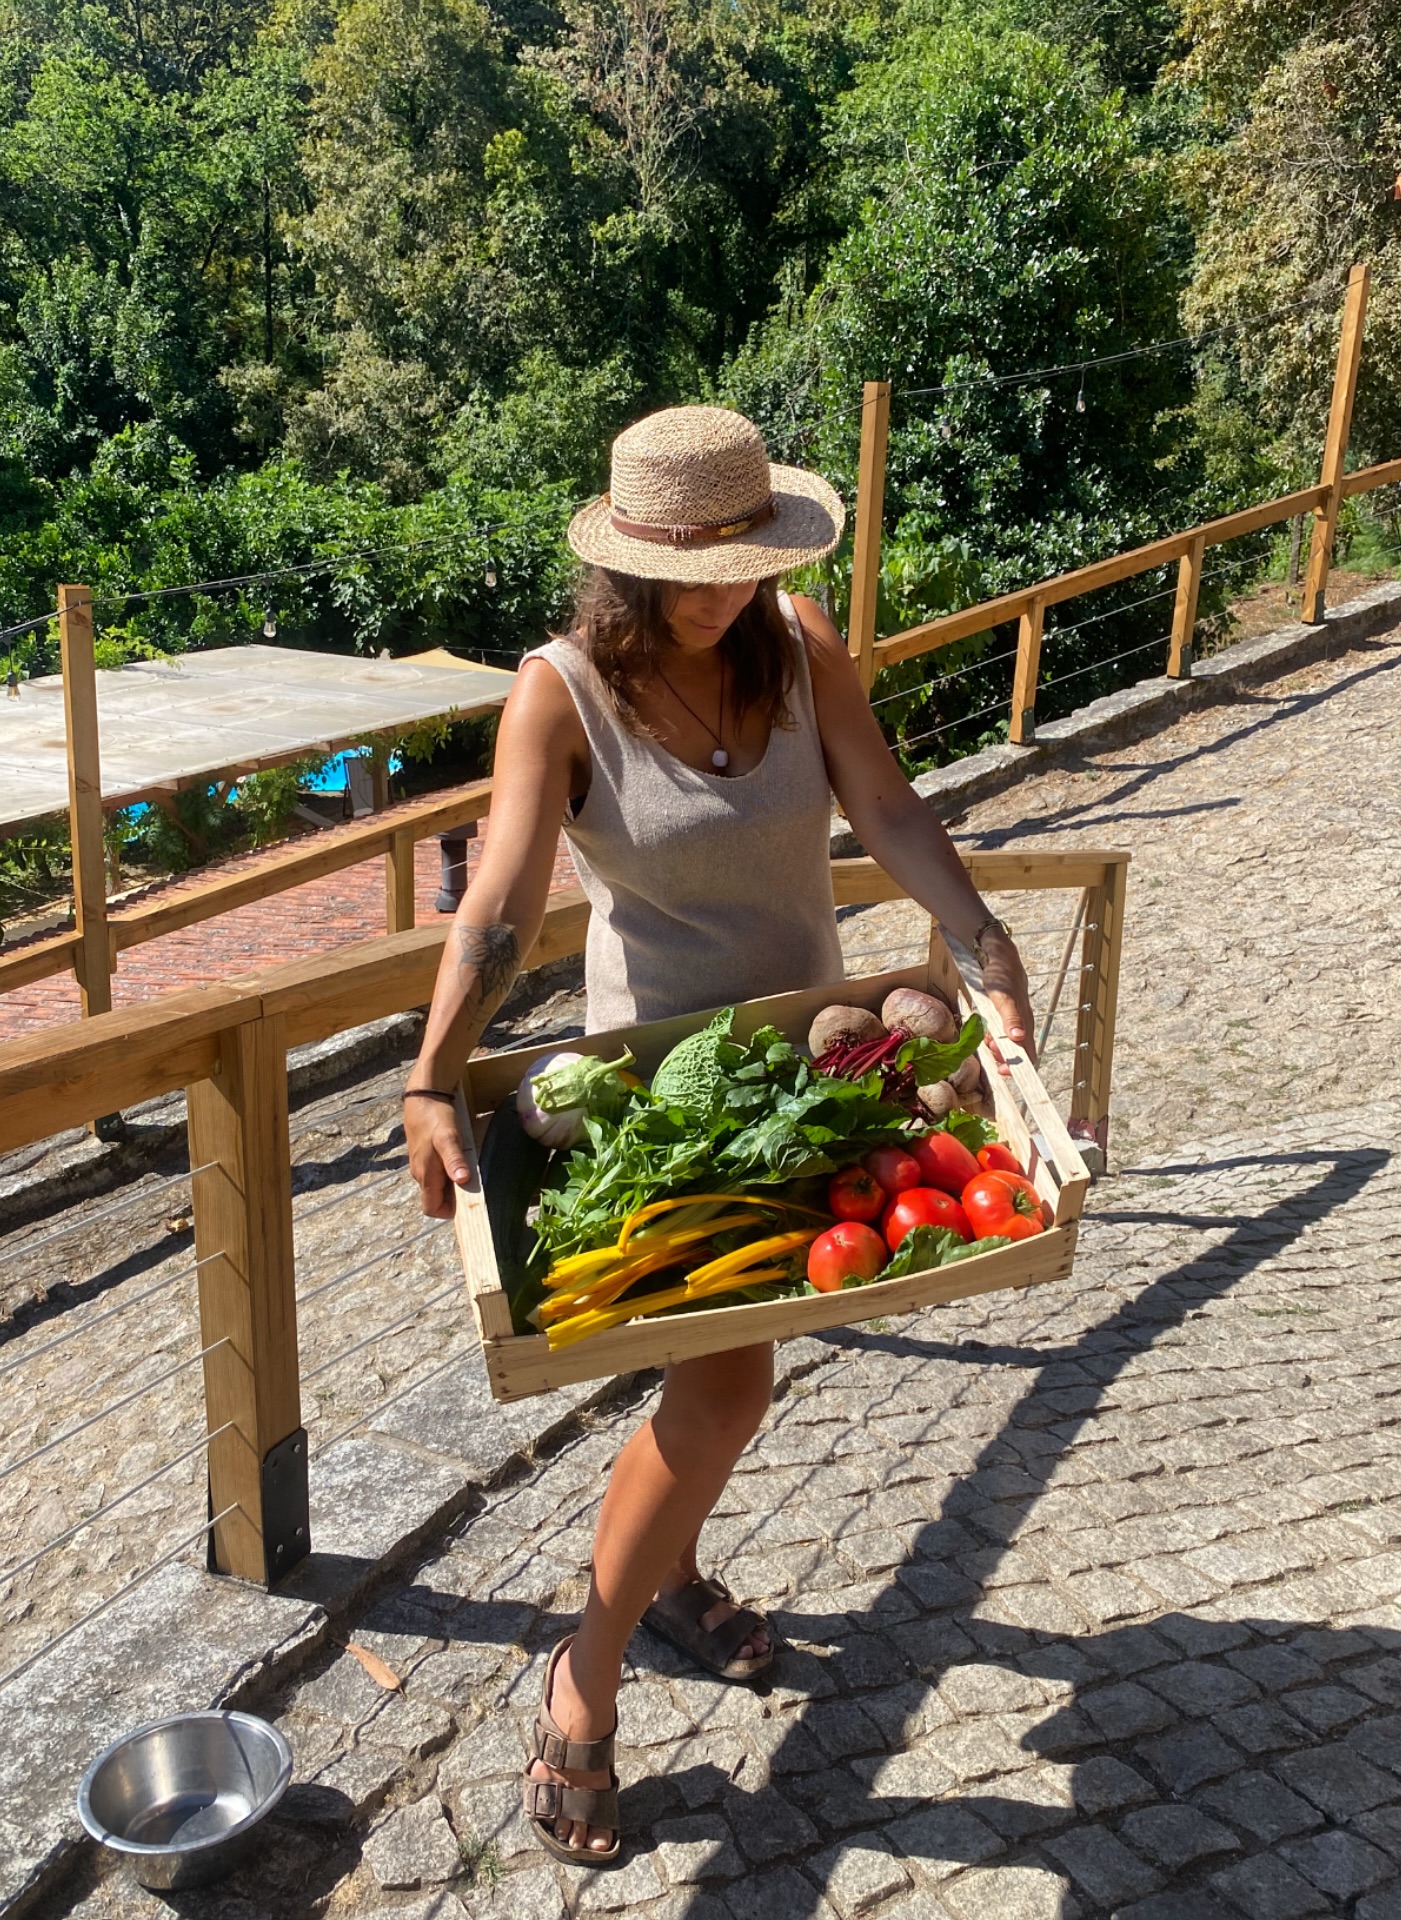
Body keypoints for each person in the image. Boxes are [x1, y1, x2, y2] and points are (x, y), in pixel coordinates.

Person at [403, 404, 1034, 1862]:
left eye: (747, 564)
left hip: (817, 1073)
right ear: (622, 568)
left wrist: (978, 930)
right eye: (695, 574)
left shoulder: (801, 645)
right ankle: (586, 1671)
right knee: (729, 1383)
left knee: (719, 1376)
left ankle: (671, 1575)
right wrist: (436, 1072)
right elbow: (496, 900)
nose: (724, 596)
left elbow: (880, 799)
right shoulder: (559, 693)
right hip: (667, 1096)